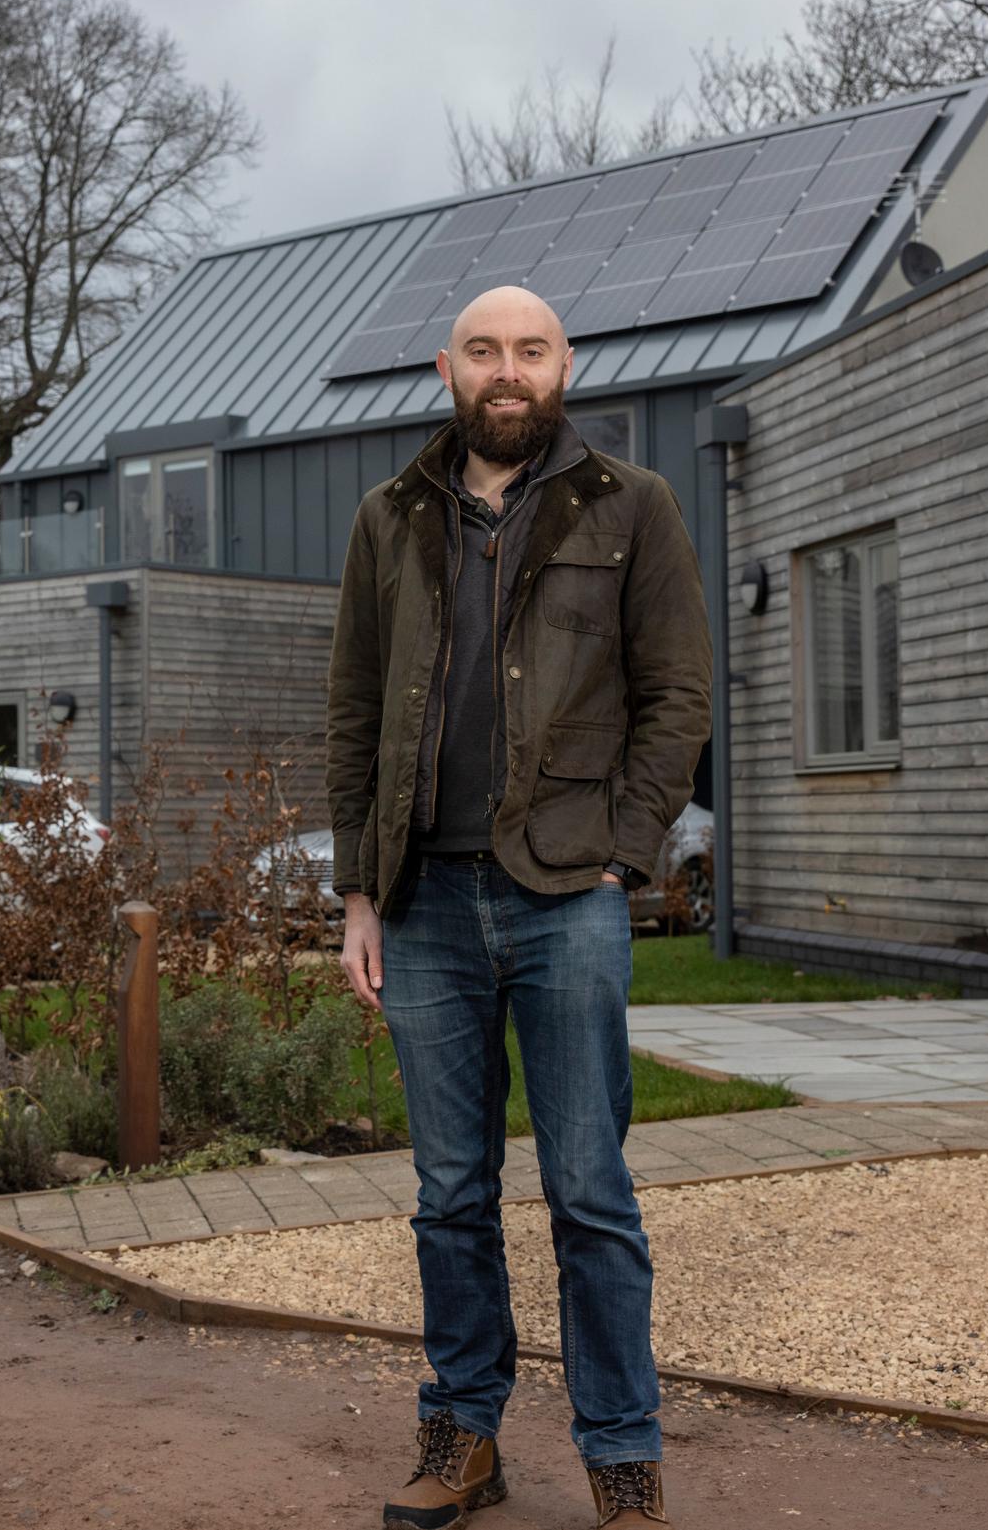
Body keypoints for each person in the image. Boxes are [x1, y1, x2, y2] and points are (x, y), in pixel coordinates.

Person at [326, 286, 711, 1529]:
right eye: (485, 351)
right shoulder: (388, 520)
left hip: (566, 897)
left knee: (592, 1190)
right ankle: (463, 1437)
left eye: (529, 351)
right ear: (449, 367)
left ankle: (624, 1460)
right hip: (424, 900)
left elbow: (679, 695)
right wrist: (357, 892)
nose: (508, 371)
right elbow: (351, 710)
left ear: (563, 365)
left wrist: (626, 852)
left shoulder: (633, 506)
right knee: (450, 1193)